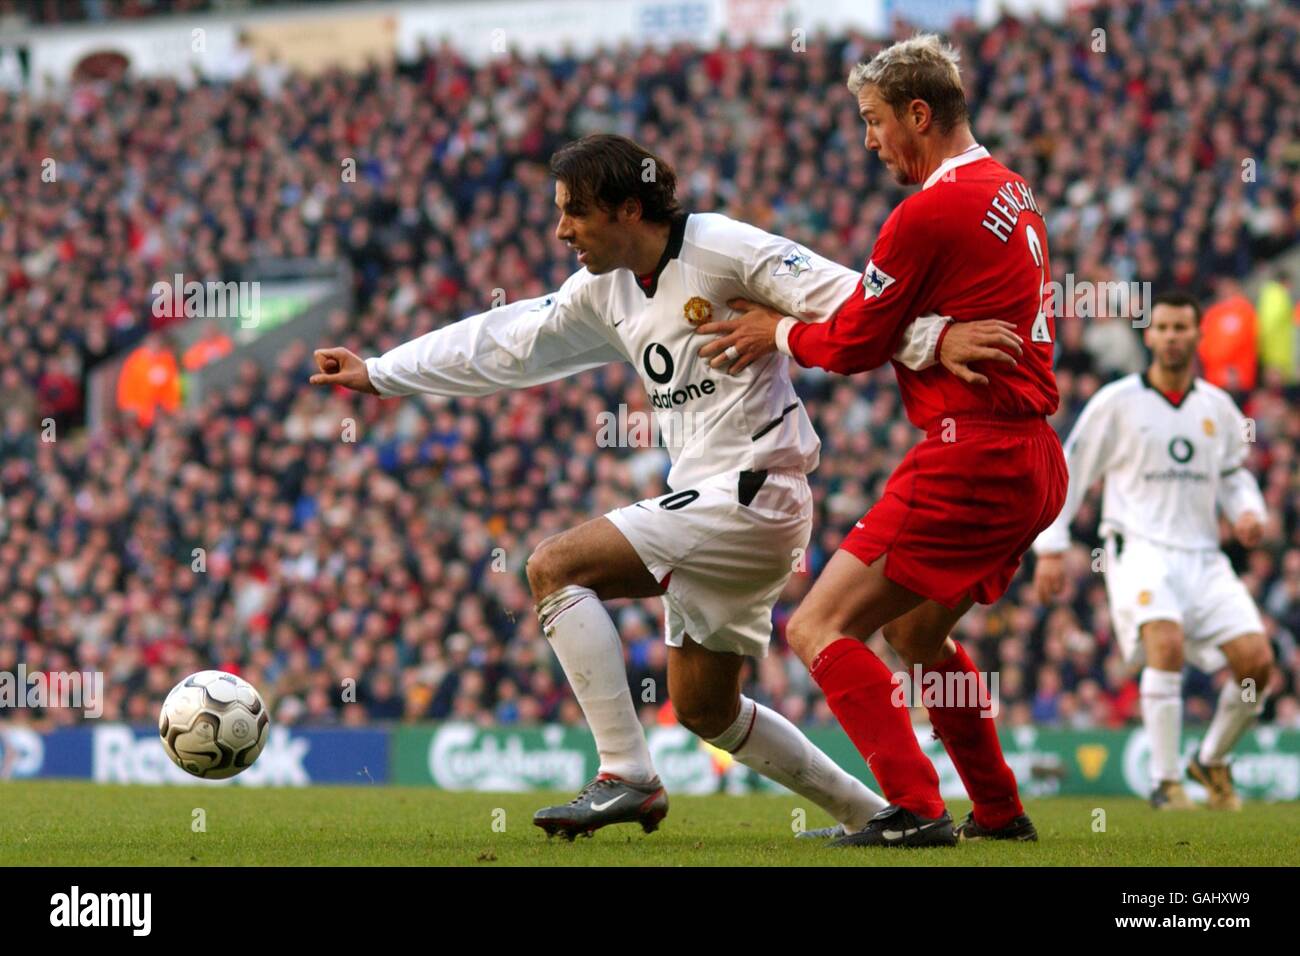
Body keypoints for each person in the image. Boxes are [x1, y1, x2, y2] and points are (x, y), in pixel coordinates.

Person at [309, 133, 1018, 840]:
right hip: (718, 502)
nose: (561, 231)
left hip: (753, 492)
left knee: (554, 566)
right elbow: (509, 340)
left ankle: (627, 775)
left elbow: (844, 298)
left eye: (573, 213)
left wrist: (932, 341)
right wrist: (382, 371)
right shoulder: (603, 290)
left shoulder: (722, 248)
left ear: (624, 208)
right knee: (706, 709)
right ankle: (880, 819)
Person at [695, 34, 1064, 847]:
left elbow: (858, 339)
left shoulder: (927, 210)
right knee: (916, 634)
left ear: (918, 113)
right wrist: (933, 336)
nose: (869, 141)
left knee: (817, 627)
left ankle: (915, 811)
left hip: (973, 452)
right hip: (1036, 455)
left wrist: (780, 331)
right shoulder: (1013, 190)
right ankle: (998, 810)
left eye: (873, 121)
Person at [1034, 292, 1274, 811]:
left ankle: (1210, 761)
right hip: (1138, 548)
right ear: (1150, 335)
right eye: (1162, 327)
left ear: (1196, 336)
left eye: (1180, 328)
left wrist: (1249, 511)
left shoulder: (1218, 408)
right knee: (1165, 643)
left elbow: (1234, 476)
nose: (1170, 337)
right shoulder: (1116, 402)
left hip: (1205, 556)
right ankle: (1166, 783)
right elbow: (1070, 471)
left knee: (1256, 665)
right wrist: (1051, 546)